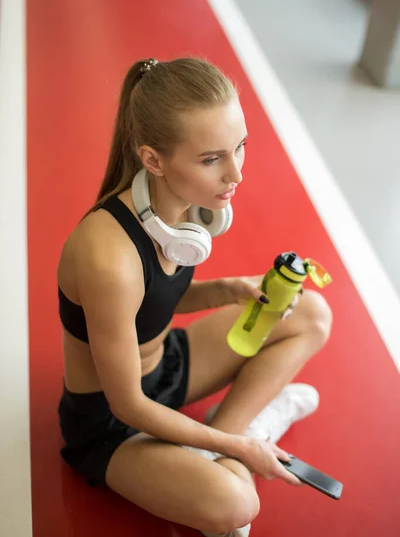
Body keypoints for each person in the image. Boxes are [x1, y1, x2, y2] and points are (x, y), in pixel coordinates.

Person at [57, 57, 332, 537]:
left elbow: (152, 304)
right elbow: (128, 406)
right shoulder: (108, 259)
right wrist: (240, 451)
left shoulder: (179, 207)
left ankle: (232, 432)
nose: (236, 174)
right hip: (113, 420)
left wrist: (230, 289)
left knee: (311, 312)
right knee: (237, 503)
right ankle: (242, 441)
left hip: (166, 364)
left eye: (239, 148)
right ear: (154, 160)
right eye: (212, 159)